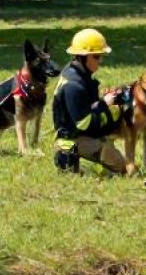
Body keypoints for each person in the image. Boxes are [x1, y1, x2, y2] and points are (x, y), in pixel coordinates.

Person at [52, 28, 127, 174]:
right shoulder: (74, 85)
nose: (100, 61)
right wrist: (105, 104)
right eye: (97, 56)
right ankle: (73, 163)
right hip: (73, 138)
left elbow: (87, 107)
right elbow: (84, 123)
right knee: (120, 166)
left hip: (81, 133)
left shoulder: (79, 74)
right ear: (83, 57)